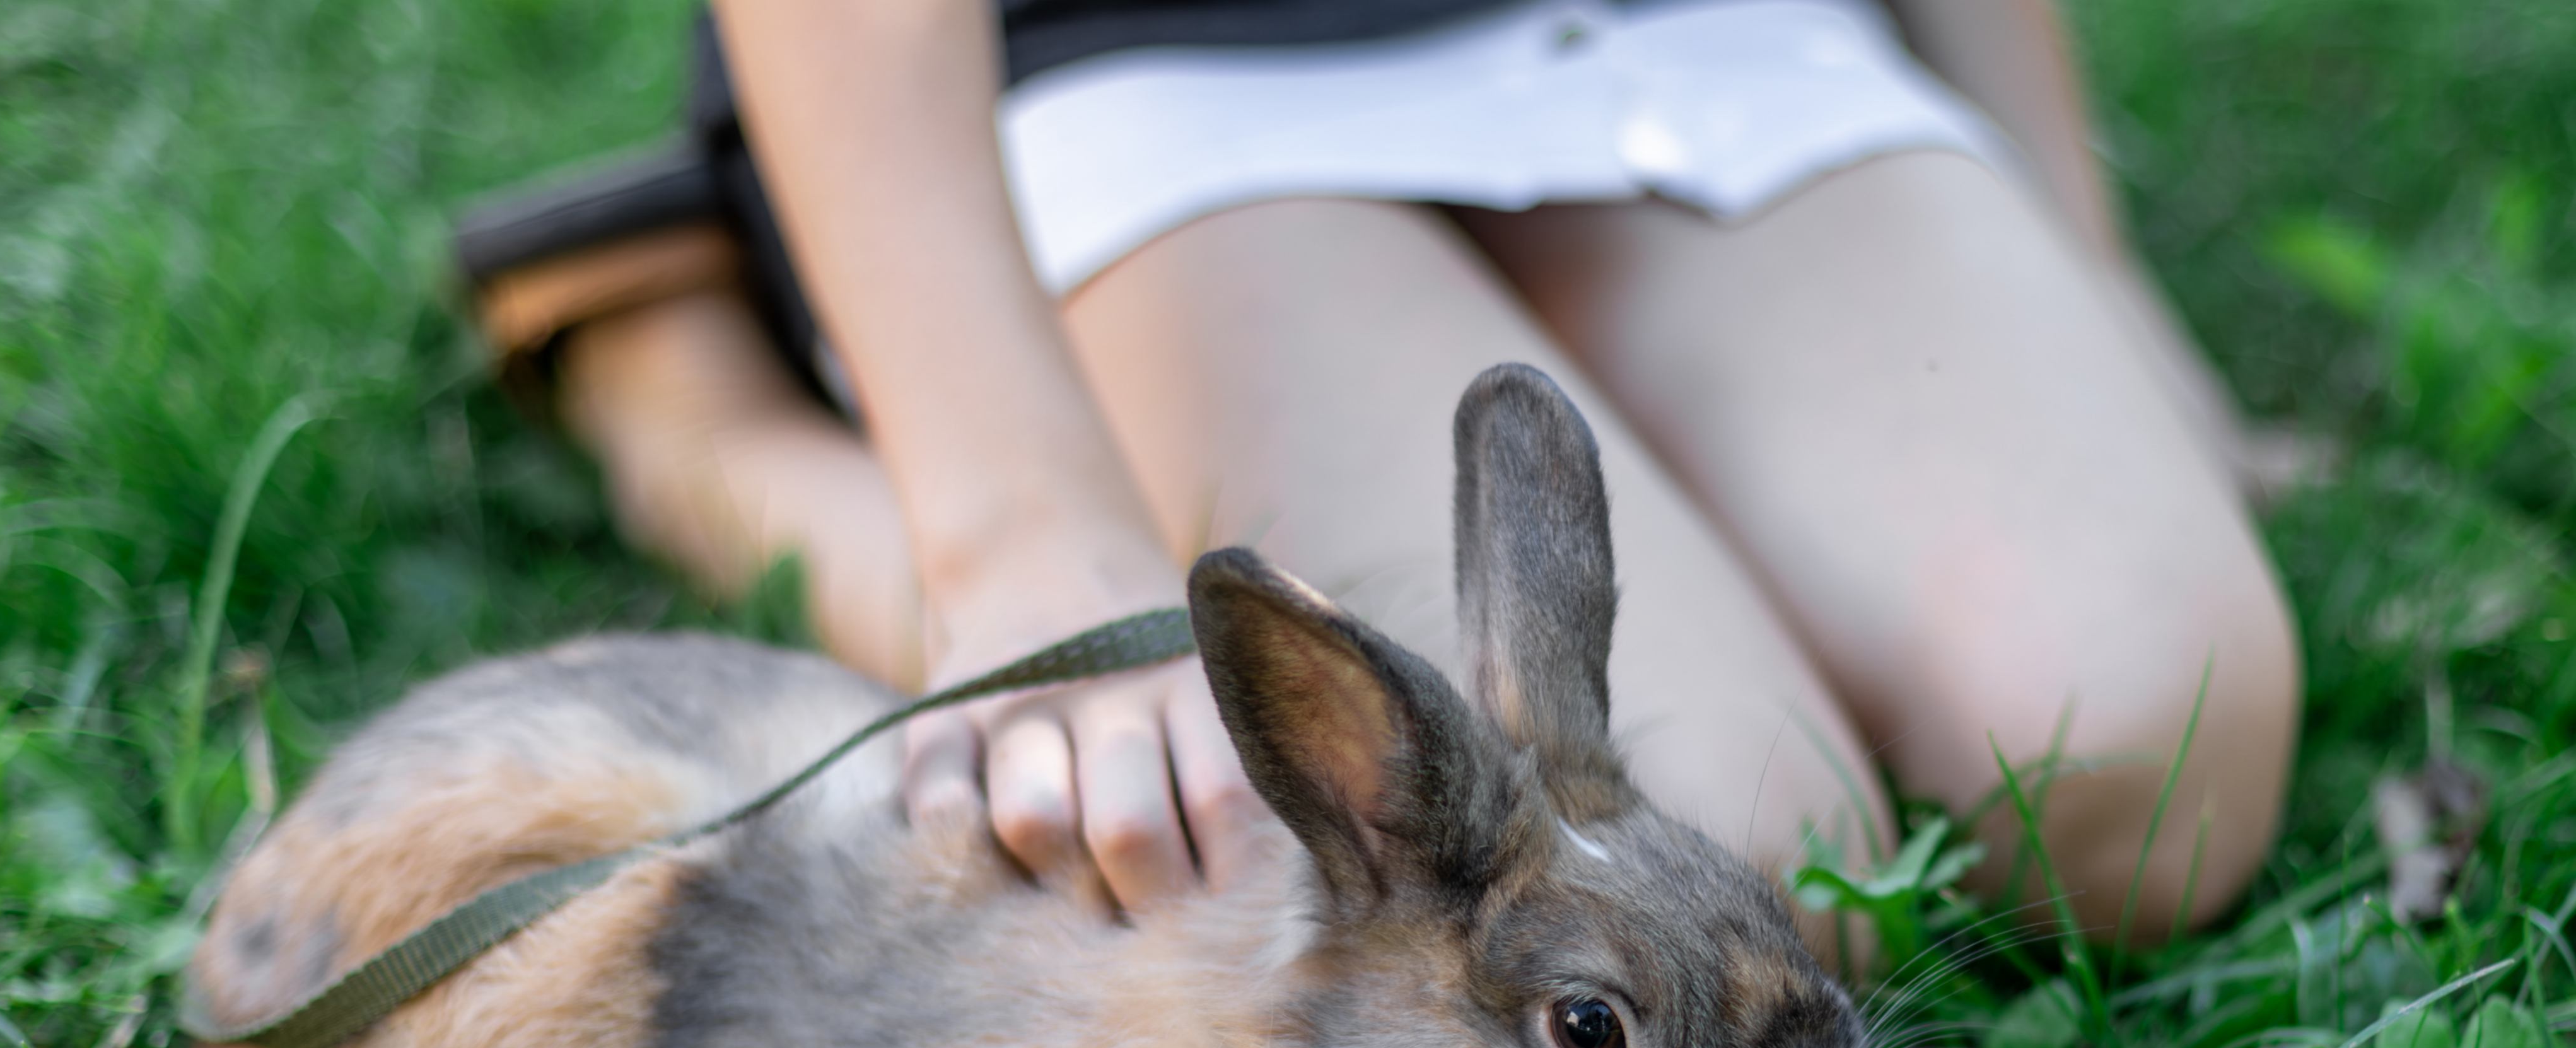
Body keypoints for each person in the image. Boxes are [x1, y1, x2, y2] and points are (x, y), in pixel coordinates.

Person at [465, 0, 2302, 954]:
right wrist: (1026, 546)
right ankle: (684, 403)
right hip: (1128, 44)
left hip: (1676, 27)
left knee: (2141, 738)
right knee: (1691, 849)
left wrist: (2089, 257)